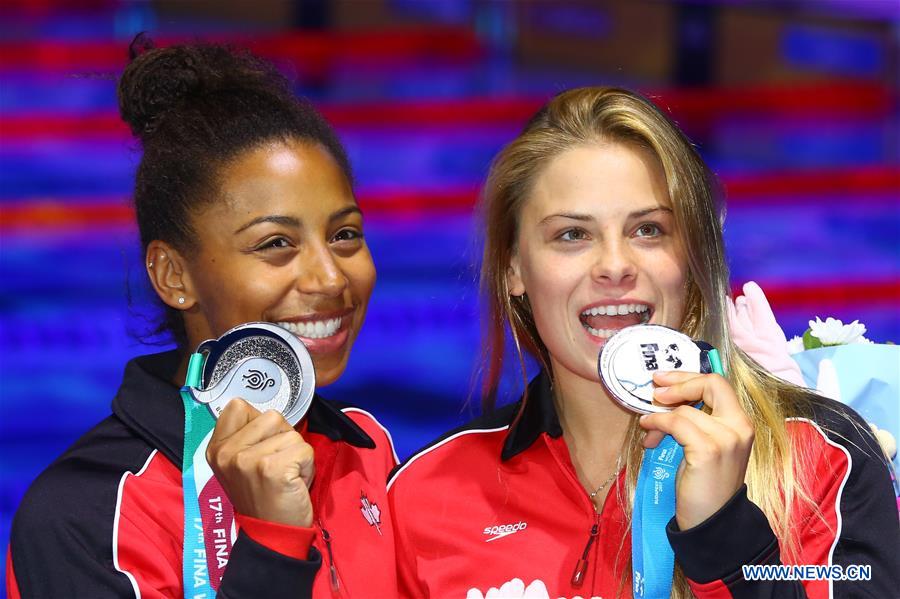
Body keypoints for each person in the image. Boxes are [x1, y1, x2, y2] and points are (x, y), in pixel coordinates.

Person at [387, 87, 900, 598]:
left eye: (648, 230)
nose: (615, 266)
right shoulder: (428, 493)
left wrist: (725, 536)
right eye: (572, 235)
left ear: (692, 256)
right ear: (514, 268)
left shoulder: (822, 460)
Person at [8, 37, 397, 598]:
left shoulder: (368, 452)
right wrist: (272, 544)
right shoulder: (82, 517)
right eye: (276, 243)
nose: (331, 278)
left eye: (344, 234)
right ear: (175, 276)